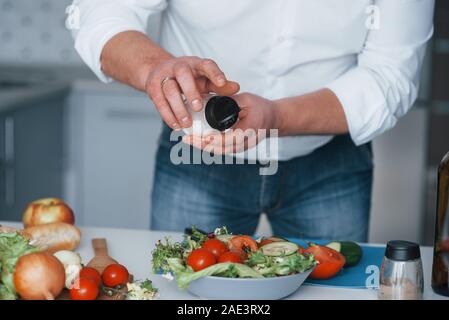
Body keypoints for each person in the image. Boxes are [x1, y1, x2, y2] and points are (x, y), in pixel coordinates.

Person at [71, 0, 434, 241]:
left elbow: (391, 76)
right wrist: (157, 70)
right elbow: (102, 11)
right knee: (185, 294)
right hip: (197, 156)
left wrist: (276, 116)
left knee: (331, 291)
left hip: (329, 159)